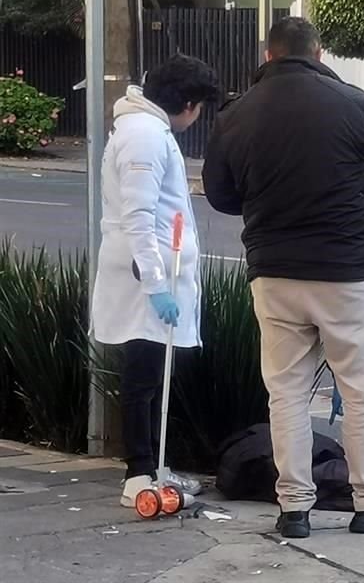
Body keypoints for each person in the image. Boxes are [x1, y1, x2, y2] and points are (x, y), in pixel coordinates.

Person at [202, 16, 364, 539]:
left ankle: (294, 508)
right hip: (346, 273)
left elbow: (221, 195)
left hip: (274, 274)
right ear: (318, 54)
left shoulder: (237, 114)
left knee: (287, 395)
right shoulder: (349, 101)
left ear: (268, 54)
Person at [90, 54, 219, 507]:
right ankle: (138, 473)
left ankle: (150, 466)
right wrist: (156, 285)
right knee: (144, 378)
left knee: (150, 376)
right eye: (199, 105)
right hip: (145, 277)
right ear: (186, 102)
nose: (198, 115)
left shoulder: (146, 131)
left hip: (151, 271)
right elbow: (139, 217)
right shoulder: (144, 136)